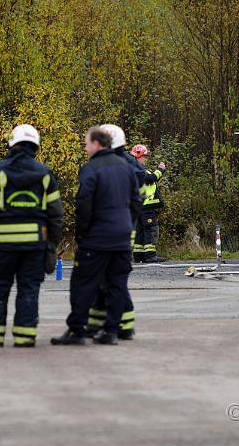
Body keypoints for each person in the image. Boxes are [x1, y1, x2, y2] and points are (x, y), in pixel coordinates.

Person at [0, 124, 63, 347]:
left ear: (13, 143)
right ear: (35, 146)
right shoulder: (44, 174)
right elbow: (56, 214)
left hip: (2, 247)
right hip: (34, 247)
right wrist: (50, 243)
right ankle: (25, 336)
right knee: (29, 289)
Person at [51, 126, 142, 346]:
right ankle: (111, 332)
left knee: (83, 283)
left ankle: (77, 330)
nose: (85, 147)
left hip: (97, 238)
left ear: (97, 144)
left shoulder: (91, 168)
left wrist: (82, 234)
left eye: (87, 143)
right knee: (116, 284)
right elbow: (136, 202)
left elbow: (84, 204)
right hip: (122, 237)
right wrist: (126, 225)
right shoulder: (127, 166)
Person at [86, 124, 140, 340]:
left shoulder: (121, 166)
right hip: (123, 232)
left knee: (112, 282)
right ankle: (100, 324)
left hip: (116, 235)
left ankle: (122, 326)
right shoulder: (128, 165)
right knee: (106, 282)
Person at [130, 144, 167, 263]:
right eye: (144, 156)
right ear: (138, 157)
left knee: (140, 231)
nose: (146, 159)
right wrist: (161, 169)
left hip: (139, 207)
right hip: (145, 207)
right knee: (150, 230)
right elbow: (151, 178)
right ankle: (150, 255)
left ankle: (139, 255)